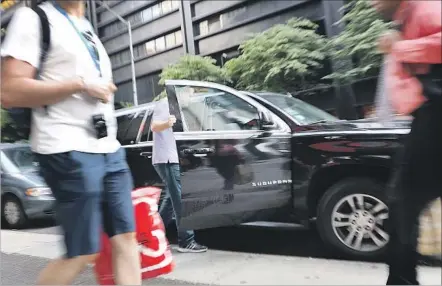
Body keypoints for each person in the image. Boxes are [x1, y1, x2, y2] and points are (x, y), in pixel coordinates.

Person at [1, 1, 141, 285]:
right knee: (83, 251)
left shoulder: (86, 27)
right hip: (65, 147)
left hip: (107, 147)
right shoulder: (33, 18)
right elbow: (9, 90)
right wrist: (79, 84)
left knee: (126, 237)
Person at [371, 0, 442, 284]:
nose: (372, 3)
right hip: (426, 117)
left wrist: (398, 47)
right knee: (403, 201)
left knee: (402, 201)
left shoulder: (425, 8)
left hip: (435, 114)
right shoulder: (404, 20)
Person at [151, 96, 208, 253]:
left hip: (173, 158)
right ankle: (186, 241)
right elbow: (155, 126)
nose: (190, 97)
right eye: (189, 93)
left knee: (171, 200)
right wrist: (167, 123)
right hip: (167, 160)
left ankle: (153, 236)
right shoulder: (164, 104)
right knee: (180, 199)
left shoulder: (178, 108)